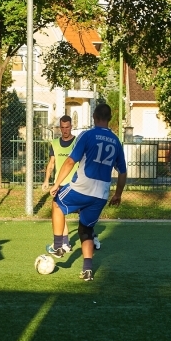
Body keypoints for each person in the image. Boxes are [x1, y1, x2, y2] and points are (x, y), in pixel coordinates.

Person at [47, 103, 126, 281]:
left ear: (94, 117)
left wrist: (56, 184)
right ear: (110, 118)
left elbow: (70, 161)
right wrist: (118, 194)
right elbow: (122, 172)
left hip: (82, 186)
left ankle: (58, 246)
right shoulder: (116, 141)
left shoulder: (87, 135)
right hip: (101, 194)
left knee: (57, 203)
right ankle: (88, 270)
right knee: (86, 229)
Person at [42, 115, 101, 252]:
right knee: (59, 211)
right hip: (60, 184)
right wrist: (46, 180)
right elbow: (51, 163)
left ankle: (92, 238)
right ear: (60, 128)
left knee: (84, 215)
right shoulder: (54, 143)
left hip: (76, 185)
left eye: (67, 127)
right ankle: (65, 243)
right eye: (62, 127)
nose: (65, 130)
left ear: (71, 127)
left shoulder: (78, 142)